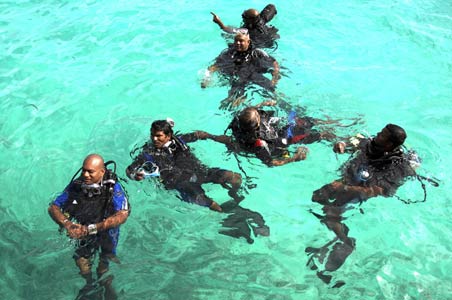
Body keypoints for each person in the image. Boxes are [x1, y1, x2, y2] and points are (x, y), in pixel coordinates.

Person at [306, 124, 420, 287]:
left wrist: (344, 188)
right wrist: (342, 145)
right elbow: (349, 142)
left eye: (382, 135)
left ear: (389, 145)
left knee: (330, 214)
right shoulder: (369, 143)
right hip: (348, 181)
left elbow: (379, 191)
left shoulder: (397, 167)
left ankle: (346, 242)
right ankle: (337, 231)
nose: (378, 134)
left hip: (360, 189)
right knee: (316, 197)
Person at [126, 119, 243, 212]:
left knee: (235, 177)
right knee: (210, 202)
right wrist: (136, 176)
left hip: (200, 172)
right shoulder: (148, 153)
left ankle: (235, 194)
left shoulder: (179, 140)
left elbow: (198, 135)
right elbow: (129, 170)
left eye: (158, 136)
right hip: (182, 183)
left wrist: (215, 138)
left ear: (168, 135)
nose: (154, 139)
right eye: (152, 135)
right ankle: (228, 214)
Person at [48, 154, 130, 287]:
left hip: (106, 232)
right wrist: (67, 224)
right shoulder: (77, 185)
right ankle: (89, 284)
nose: (85, 175)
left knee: (103, 265)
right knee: (81, 262)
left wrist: (93, 228)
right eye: (83, 170)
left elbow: (122, 215)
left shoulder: (113, 188)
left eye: (90, 172)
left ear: (102, 171)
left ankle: (106, 286)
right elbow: (53, 207)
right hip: (83, 229)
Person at [192, 102, 344, 167]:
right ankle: (340, 132)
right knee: (317, 132)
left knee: (300, 120)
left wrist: (209, 136)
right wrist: (294, 158)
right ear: (257, 123)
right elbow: (270, 163)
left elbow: (227, 140)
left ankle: (336, 125)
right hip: (279, 142)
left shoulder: (239, 122)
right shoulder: (259, 143)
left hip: (270, 131)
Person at [201, 32, 280, 110]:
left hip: (254, 74)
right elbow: (214, 66)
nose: (238, 43)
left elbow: (274, 63)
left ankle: (282, 102)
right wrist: (207, 78)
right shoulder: (229, 53)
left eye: (241, 41)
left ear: (248, 42)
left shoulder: (257, 52)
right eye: (236, 40)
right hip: (239, 77)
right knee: (231, 103)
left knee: (273, 90)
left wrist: (274, 78)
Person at [211, 4, 279, 49]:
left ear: (249, 21)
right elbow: (271, 6)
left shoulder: (246, 31)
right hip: (269, 39)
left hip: (258, 44)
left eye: (244, 17)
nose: (242, 17)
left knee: (230, 43)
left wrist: (218, 22)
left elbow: (226, 29)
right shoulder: (262, 20)